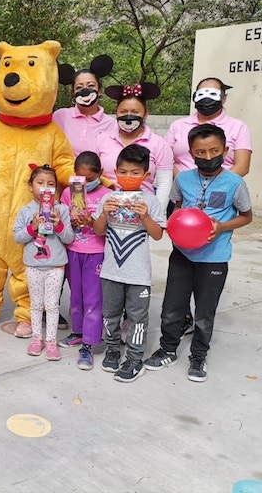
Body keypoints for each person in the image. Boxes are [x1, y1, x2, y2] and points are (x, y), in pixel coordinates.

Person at [145, 124, 252, 382]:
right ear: (191, 153)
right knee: (173, 306)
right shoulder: (182, 179)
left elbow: (246, 216)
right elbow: (177, 207)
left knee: (205, 311)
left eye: (214, 150)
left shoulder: (235, 183)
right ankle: (168, 349)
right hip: (182, 254)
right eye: (200, 152)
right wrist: (176, 226)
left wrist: (223, 226)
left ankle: (198, 355)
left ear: (225, 150)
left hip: (214, 258)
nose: (207, 156)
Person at [92, 144, 165, 382]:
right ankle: (113, 348)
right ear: (115, 172)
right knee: (110, 314)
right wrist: (104, 213)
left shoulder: (151, 201)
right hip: (111, 271)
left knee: (137, 317)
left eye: (135, 172)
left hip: (138, 274)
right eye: (123, 171)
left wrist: (145, 216)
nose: (128, 177)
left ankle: (135, 358)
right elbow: (98, 230)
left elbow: (157, 235)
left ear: (145, 175)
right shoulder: (108, 197)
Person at [13, 164, 74, 360]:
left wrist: (59, 225)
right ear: (30, 186)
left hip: (56, 266)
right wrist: (33, 227)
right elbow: (17, 237)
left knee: (52, 305)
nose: (45, 188)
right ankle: (37, 338)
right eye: (40, 183)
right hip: (33, 266)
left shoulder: (62, 210)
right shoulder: (25, 211)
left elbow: (69, 238)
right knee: (36, 304)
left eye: (51, 184)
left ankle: (50, 341)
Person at [59, 152, 108, 369]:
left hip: (96, 251)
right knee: (76, 295)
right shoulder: (69, 194)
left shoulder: (108, 195)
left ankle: (89, 343)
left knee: (93, 298)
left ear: (101, 174)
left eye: (90, 178)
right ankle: (78, 332)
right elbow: (61, 219)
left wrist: (93, 220)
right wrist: (70, 220)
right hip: (73, 250)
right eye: (80, 178)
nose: (85, 183)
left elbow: (108, 227)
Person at [95, 82, 173, 209]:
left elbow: (164, 183)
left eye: (135, 111)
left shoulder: (159, 143)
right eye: (123, 111)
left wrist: (156, 213)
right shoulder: (101, 139)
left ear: (145, 114)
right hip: (108, 209)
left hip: (144, 211)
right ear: (116, 113)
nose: (129, 116)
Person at [165, 77, 252, 178]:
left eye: (212, 94)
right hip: (180, 187)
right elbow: (164, 158)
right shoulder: (177, 125)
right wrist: (184, 182)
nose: (206, 99)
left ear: (224, 98)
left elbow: (242, 166)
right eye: (201, 94)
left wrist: (216, 185)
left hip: (222, 188)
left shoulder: (238, 127)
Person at [53, 55, 116, 156]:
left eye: (91, 85)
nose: (85, 90)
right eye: (79, 87)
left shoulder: (112, 125)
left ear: (99, 90)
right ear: (73, 92)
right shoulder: (59, 116)